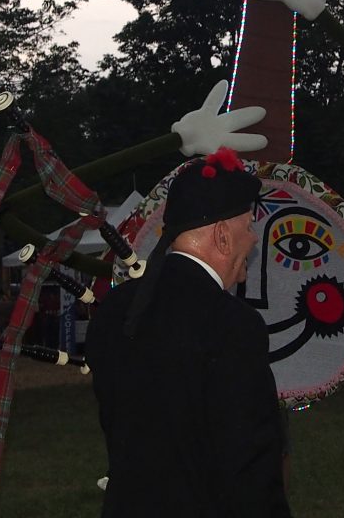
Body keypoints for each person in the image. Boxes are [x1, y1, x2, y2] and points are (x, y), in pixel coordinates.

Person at [85, 148, 291, 518]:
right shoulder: (232, 325)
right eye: (249, 227)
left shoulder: (114, 310)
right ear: (223, 237)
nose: (254, 240)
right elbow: (250, 469)